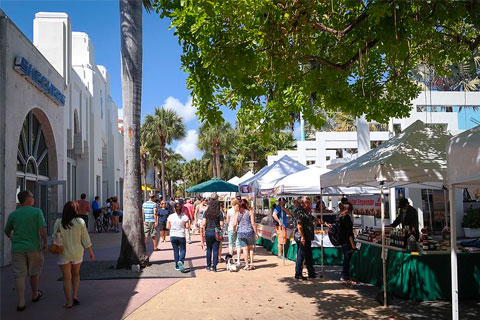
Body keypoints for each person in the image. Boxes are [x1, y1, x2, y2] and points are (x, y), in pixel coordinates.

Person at [4, 190, 47, 312]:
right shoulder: (37, 212)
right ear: (27, 198)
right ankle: (34, 294)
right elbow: (42, 229)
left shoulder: (14, 214)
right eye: (32, 196)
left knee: (19, 274)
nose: (34, 198)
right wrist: (45, 243)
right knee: (34, 272)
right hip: (33, 247)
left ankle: (21, 301)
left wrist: (13, 238)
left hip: (17, 248)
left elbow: (7, 231)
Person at [53, 201, 95, 308]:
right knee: (76, 274)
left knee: (66, 278)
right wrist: (90, 252)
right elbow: (85, 238)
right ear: (76, 210)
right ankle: (75, 295)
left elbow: (54, 237)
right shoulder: (80, 222)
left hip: (63, 253)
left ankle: (68, 301)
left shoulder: (59, 222)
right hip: (77, 252)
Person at [293, 197, 316, 280]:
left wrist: (321, 221)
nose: (308, 204)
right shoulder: (299, 211)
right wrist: (302, 237)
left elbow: (311, 218)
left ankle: (311, 272)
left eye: (309, 202)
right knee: (301, 254)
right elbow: (299, 225)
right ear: (302, 202)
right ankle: (298, 273)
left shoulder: (305, 210)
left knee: (308, 254)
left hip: (307, 236)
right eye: (307, 202)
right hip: (302, 237)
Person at [234, 199, 258, 270]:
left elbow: (234, 223)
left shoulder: (237, 213)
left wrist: (234, 230)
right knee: (251, 248)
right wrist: (256, 233)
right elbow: (253, 223)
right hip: (249, 232)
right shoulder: (250, 212)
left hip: (241, 232)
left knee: (244, 249)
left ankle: (247, 265)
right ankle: (252, 264)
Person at [202, 196, 224, 272]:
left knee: (208, 249)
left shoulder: (206, 212)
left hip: (208, 231)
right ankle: (214, 267)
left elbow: (204, 223)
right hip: (217, 232)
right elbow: (221, 224)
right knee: (215, 250)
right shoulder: (219, 212)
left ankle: (208, 266)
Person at [337, 202, 357, 284]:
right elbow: (349, 233)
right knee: (347, 259)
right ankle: (345, 277)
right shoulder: (346, 218)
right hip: (347, 241)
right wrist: (353, 245)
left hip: (342, 240)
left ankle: (344, 276)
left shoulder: (340, 216)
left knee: (346, 259)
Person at [167, 202, 190, 272]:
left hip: (173, 235)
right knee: (183, 250)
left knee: (175, 251)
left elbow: (167, 226)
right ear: (182, 208)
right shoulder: (185, 217)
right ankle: (181, 260)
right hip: (181, 235)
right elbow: (187, 226)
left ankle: (177, 266)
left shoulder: (170, 216)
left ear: (174, 208)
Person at [226, 198, 241, 263]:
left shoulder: (229, 211)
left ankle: (230, 259)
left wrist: (228, 223)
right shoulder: (239, 210)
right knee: (238, 244)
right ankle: (238, 260)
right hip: (239, 228)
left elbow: (227, 221)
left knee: (231, 244)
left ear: (231, 203)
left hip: (231, 228)